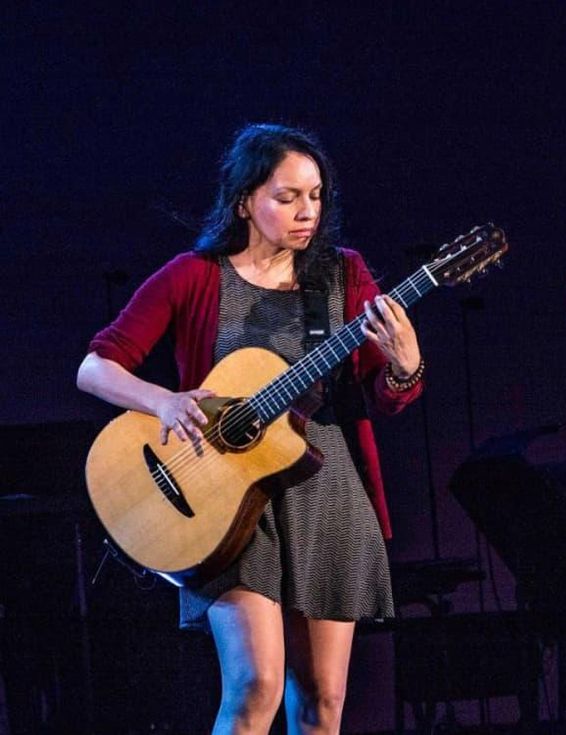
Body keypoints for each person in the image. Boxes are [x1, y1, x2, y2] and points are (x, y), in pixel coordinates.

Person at [77, 123, 424, 735]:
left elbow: (386, 395)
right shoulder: (195, 275)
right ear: (244, 201)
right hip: (226, 500)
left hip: (327, 495)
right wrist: (162, 401)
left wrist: (405, 365)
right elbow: (95, 367)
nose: (306, 212)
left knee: (323, 702)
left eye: (315, 196)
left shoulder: (341, 277)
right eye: (287, 196)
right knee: (255, 687)